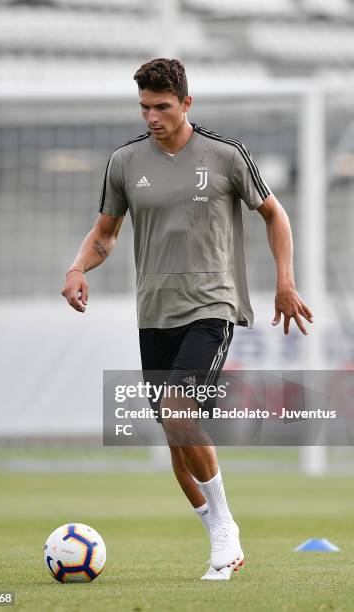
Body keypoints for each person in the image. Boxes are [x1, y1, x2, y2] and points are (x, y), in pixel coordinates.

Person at [61, 58, 313, 581]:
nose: (152, 116)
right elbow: (105, 234)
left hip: (212, 306)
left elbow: (274, 214)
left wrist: (285, 281)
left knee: (179, 408)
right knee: (177, 437)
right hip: (154, 313)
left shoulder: (225, 155)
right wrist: (78, 266)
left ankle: (225, 529)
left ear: (186, 104)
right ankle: (218, 533)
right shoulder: (125, 162)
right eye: (145, 107)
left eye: (162, 106)